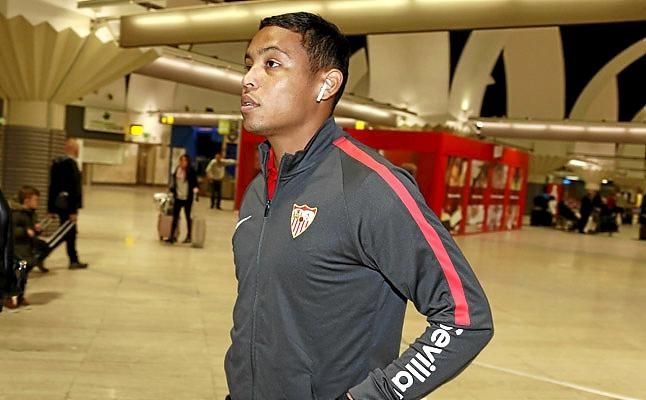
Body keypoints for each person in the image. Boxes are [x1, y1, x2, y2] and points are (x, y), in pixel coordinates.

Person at [227, 12, 493, 400]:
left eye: (271, 64)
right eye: (249, 64)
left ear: (326, 84)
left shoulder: (370, 187)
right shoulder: (258, 189)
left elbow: (465, 318)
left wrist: (374, 395)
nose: (249, 79)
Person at [48, 138, 88, 269]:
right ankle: (44, 253)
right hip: (68, 206)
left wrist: (51, 208)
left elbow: (53, 187)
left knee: (68, 233)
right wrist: (73, 210)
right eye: (77, 148)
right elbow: (74, 189)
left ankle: (73, 260)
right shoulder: (71, 164)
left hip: (60, 204)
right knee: (67, 234)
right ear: (74, 149)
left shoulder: (57, 163)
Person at [167, 154, 198, 244]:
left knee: (188, 217)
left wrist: (196, 189)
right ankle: (172, 235)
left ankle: (189, 236)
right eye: (181, 160)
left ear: (187, 162)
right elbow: (174, 182)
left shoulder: (191, 171)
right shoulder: (177, 170)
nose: (182, 162)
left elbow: (195, 183)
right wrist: (171, 189)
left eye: (184, 161)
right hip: (178, 197)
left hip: (187, 198)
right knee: (175, 217)